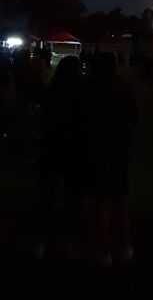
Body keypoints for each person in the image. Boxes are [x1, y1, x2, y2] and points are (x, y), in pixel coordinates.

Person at [82, 52, 137, 266]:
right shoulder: (123, 87)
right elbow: (134, 118)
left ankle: (103, 249)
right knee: (120, 200)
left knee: (101, 202)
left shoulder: (87, 88)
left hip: (96, 149)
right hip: (120, 149)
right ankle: (123, 247)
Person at [36, 56, 84, 258]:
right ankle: (71, 225)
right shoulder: (82, 93)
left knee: (48, 185)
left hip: (52, 144)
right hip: (74, 146)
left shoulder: (51, 90)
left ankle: (41, 221)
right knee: (73, 187)